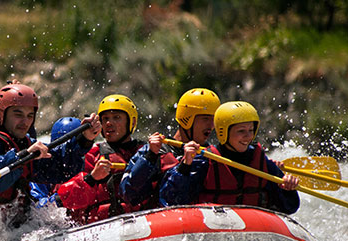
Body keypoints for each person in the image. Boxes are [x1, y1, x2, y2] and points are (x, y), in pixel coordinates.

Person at [0, 83, 101, 226]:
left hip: (16, 227)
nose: (25, 122)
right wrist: (21, 157)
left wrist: (84, 139)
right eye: (18, 114)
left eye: (30, 116)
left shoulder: (25, 142)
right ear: (1, 114)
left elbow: (60, 168)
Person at [159, 101, 300, 214]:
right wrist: (185, 166)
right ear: (223, 132)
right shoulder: (205, 161)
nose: (248, 136)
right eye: (241, 131)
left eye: (251, 130)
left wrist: (288, 189)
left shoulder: (263, 163)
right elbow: (170, 201)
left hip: (254, 231)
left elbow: (289, 208)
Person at [55, 95, 149, 224]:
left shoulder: (148, 151)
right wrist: (92, 178)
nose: (109, 123)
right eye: (105, 119)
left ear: (131, 122)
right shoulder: (91, 155)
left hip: (141, 221)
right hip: (101, 227)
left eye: (116, 117)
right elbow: (64, 200)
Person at [119, 88, 220, 207]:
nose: (211, 125)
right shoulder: (154, 151)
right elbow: (128, 193)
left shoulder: (211, 155)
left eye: (214, 119)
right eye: (206, 119)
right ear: (187, 119)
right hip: (161, 221)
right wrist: (150, 157)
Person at [29, 116, 82, 207]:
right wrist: (63, 196)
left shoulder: (91, 166)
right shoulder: (43, 168)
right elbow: (39, 207)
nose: (67, 153)